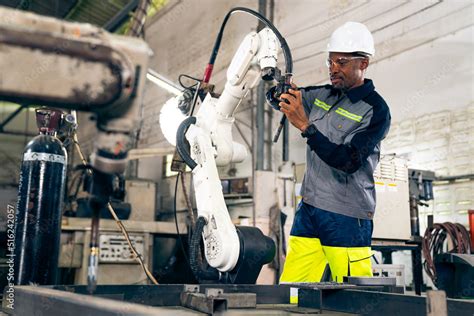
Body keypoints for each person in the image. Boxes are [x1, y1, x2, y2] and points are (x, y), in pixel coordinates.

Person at [276, 22, 391, 284]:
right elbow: (285, 99)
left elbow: (349, 161)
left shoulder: (375, 110)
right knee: (292, 290)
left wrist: (306, 126)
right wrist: (279, 89)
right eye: (330, 62)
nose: (333, 68)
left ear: (363, 64)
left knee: (355, 296)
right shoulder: (323, 95)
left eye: (341, 62)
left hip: (346, 217)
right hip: (310, 210)